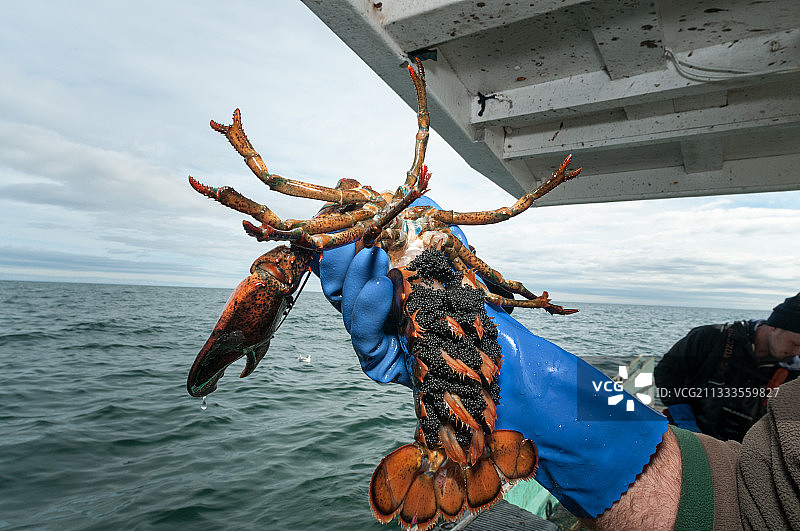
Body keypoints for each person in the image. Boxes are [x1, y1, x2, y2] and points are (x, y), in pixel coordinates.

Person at [312, 198, 800, 529]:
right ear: (777, 323)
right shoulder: (711, 341)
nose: (796, 350)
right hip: (702, 448)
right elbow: (762, 483)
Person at [654, 294, 800, 441]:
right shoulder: (710, 337)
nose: (798, 352)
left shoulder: (794, 370)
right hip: (685, 438)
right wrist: (685, 419)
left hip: (745, 450)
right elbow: (666, 372)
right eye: (796, 344)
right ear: (774, 326)